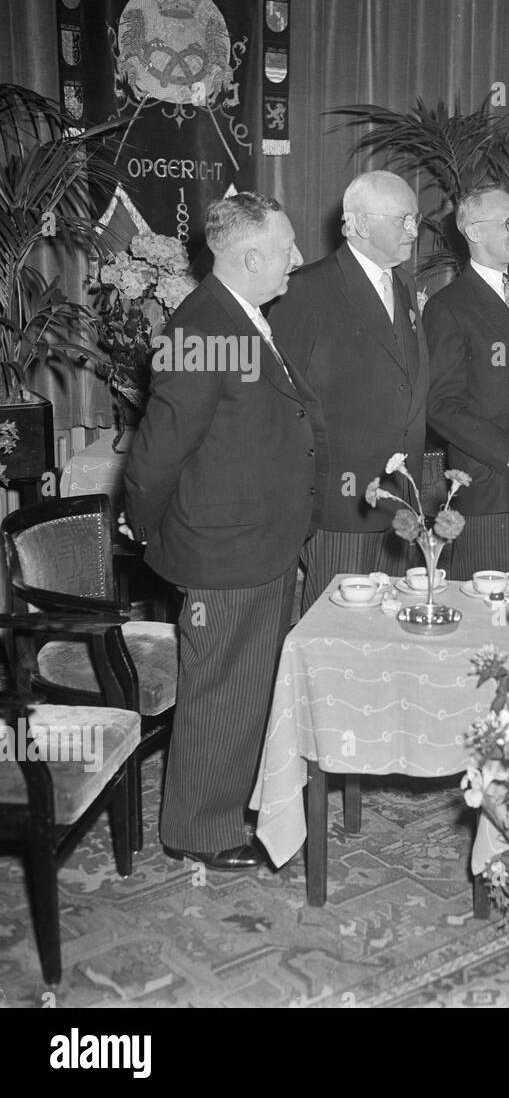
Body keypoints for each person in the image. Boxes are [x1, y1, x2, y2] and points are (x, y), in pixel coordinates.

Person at [123, 192, 328, 870]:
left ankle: (228, 804)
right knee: (220, 695)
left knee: (244, 690)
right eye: (287, 246)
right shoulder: (206, 325)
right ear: (249, 256)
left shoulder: (240, 317)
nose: (298, 257)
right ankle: (200, 830)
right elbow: (157, 453)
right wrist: (155, 533)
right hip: (224, 550)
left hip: (259, 543)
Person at [269, 170, 431, 611]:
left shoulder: (404, 284)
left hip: (400, 500)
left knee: (395, 627)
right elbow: (281, 402)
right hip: (341, 507)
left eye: (415, 219)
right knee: (336, 634)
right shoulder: (306, 289)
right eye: (402, 220)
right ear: (358, 224)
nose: (414, 231)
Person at [423, 184, 509, 595]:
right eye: (508, 223)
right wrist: (505, 450)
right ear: (473, 231)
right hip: (490, 483)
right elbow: (441, 404)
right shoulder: (448, 306)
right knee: (488, 614)